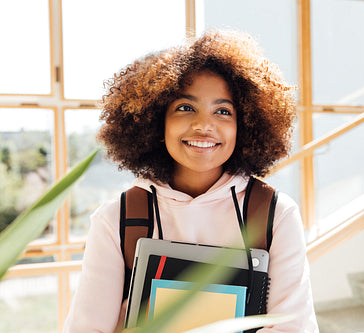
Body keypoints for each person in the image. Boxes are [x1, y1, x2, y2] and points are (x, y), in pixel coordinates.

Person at [63, 30, 319, 333]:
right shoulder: (116, 218)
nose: (204, 125)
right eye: (185, 108)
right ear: (158, 121)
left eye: (223, 111)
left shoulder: (275, 214)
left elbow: (294, 328)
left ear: (245, 126)